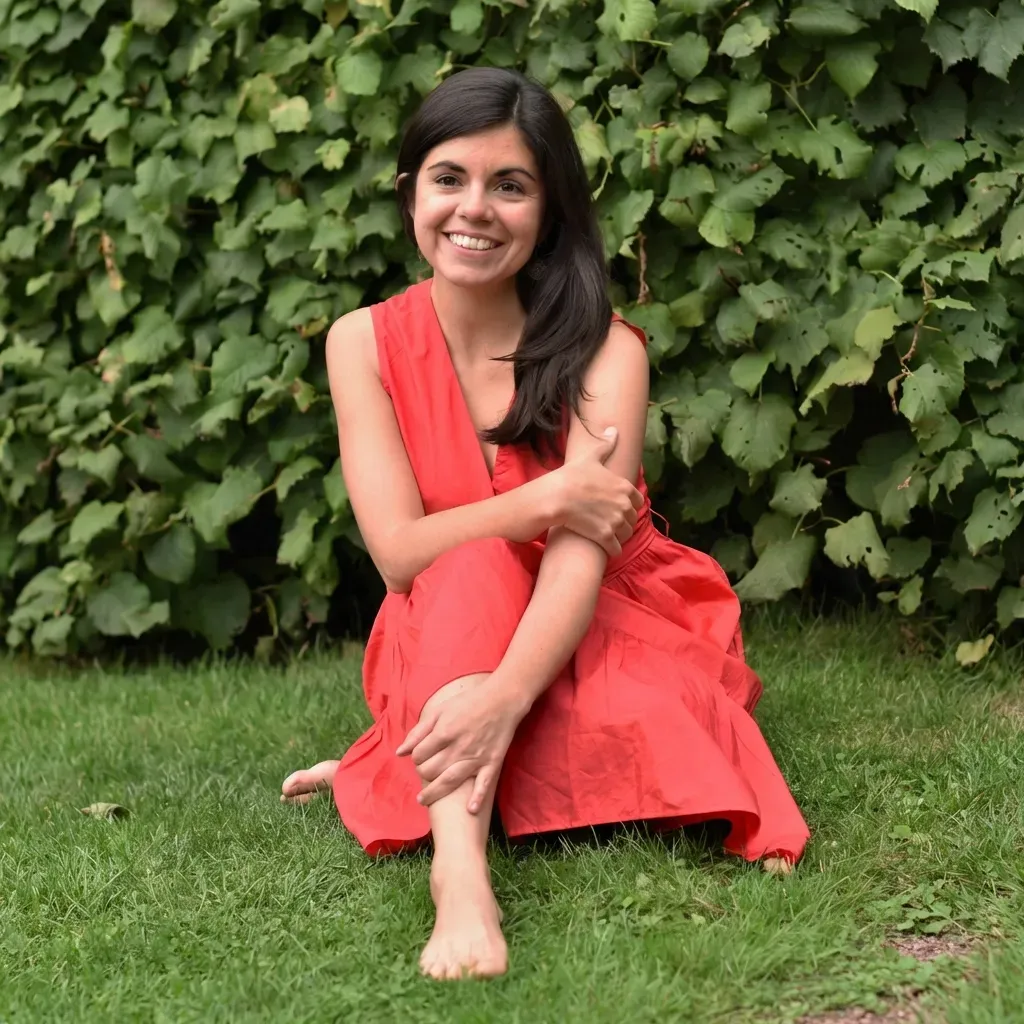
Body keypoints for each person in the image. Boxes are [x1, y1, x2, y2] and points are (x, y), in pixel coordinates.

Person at [281, 67, 810, 981]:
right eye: (449, 179)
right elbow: (403, 554)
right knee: (471, 567)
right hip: (446, 606)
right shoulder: (359, 342)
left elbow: (578, 562)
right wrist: (543, 496)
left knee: (652, 725)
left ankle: (402, 757)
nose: (473, 209)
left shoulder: (608, 349)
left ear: (549, 209)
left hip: (598, 611)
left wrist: (500, 700)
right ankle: (460, 872)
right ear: (411, 194)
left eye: (510, 186)